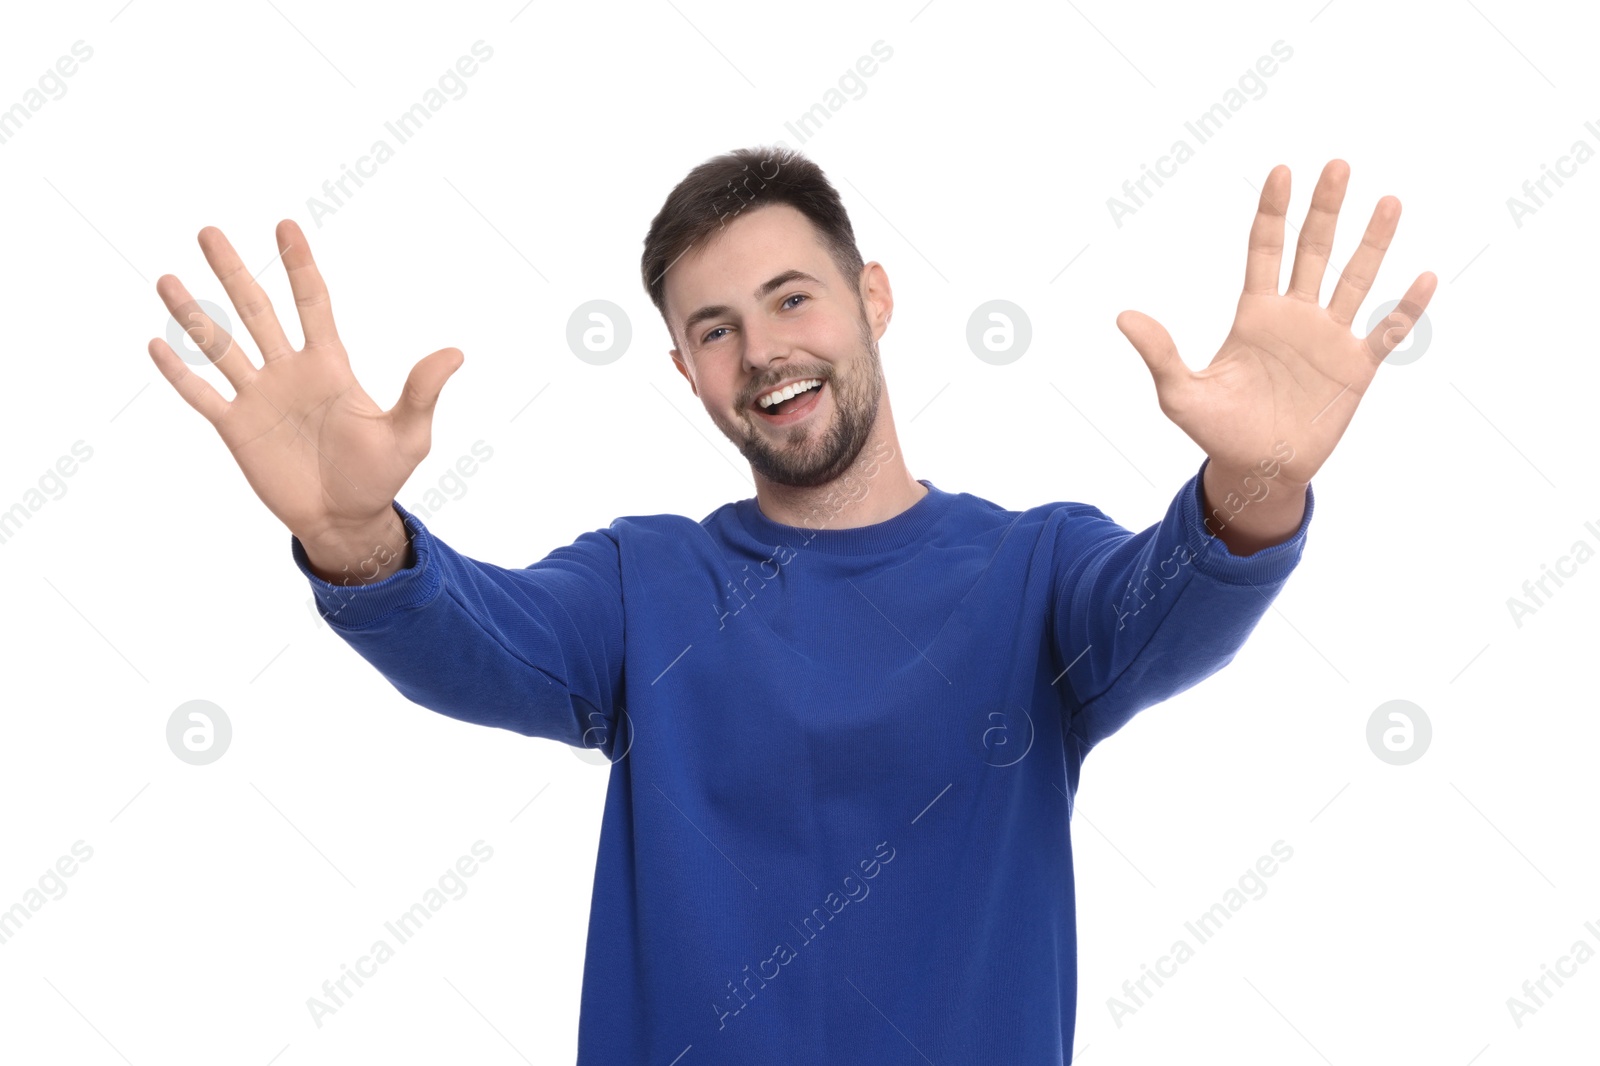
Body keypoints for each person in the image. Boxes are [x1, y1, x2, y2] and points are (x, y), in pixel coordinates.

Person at [147, 145, 1433, 1062]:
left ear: (872, 300)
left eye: (790, 297)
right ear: (684, 371)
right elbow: (467, 638)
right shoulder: (642, 587)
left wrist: (1258, 477)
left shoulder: (1034, 575)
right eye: (712, 328)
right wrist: (349, 530)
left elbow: (1175, 599)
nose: (760, 350)